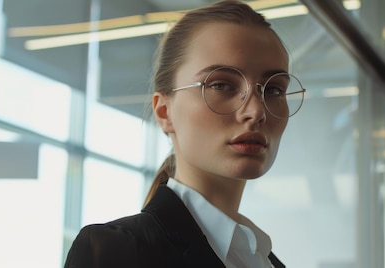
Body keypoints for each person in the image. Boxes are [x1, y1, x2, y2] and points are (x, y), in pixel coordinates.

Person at [64, 0, 305, 267]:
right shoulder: (116, 251)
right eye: (222, 85)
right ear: (165, 112)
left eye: (274, 90)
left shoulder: (263, 260)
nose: (256, 111)